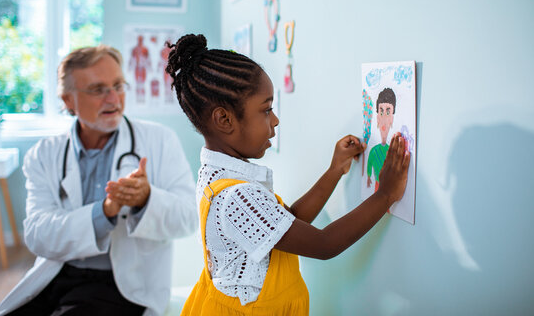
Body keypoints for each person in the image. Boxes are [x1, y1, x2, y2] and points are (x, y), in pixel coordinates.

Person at [164, 34, 411, 315]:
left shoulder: (216, 174)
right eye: (266, 110)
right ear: (224, 120)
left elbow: (286, 224)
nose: (276, 120)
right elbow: (324, 244)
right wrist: (386, 194)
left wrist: (334, 171)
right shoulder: (237, 196)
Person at [0, 45, 197, 316]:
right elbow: (37, 235)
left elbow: (187, 219)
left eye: (118, 85)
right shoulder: (44, 154)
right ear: (68, 100)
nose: (113, 98)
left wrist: (146, 200)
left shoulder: (160, 140)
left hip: (122, 283)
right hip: (57, 273)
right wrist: (103, 212)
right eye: (97, 89)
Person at [367, 87, 396, 191]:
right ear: (377, 117)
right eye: (381, 111)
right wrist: (368, 177)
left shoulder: (392, 151)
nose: (383, 117)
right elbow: (369, 163)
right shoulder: (373, 151)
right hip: (378, 188)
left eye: (388, 112)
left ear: (392, 118)